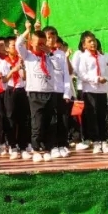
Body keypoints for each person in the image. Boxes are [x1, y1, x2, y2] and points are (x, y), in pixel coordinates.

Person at [15, 21, 56, 162]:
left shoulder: (50, 56)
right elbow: (18, 44)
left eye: (44, 43)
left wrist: (49, 53)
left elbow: (59, 68)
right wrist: (27, 30)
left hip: (49, 91)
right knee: (37, 122)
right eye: (38, 44)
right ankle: (36, 149)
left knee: (49, 122)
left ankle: (47, 148)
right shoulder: (28, 55)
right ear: (32, 43)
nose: (41, 46)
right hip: (35, 93)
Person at [72, 31, 108, 155]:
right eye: (89, 41)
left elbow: (107, 72)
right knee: (92, 117)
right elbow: (81, 75)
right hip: (89, 91)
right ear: (84, 45)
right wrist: (96, 79)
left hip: (102, 91)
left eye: (94, 40)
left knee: (103, 116)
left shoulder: (102, 57)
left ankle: (104, 141)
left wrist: (106, 81)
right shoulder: (83, 57)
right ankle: (96, 142)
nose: (93, 43)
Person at [42, 26, 74, 159]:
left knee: (63, 119)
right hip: (48, 90)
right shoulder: (41, 53)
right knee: (51, 119)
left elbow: (66, 74)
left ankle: (62, 144)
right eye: (48, 37)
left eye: (54, 37)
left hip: (60, 91)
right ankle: (52, 146)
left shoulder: (60, 53)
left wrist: (67, 92)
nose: (51, 40)